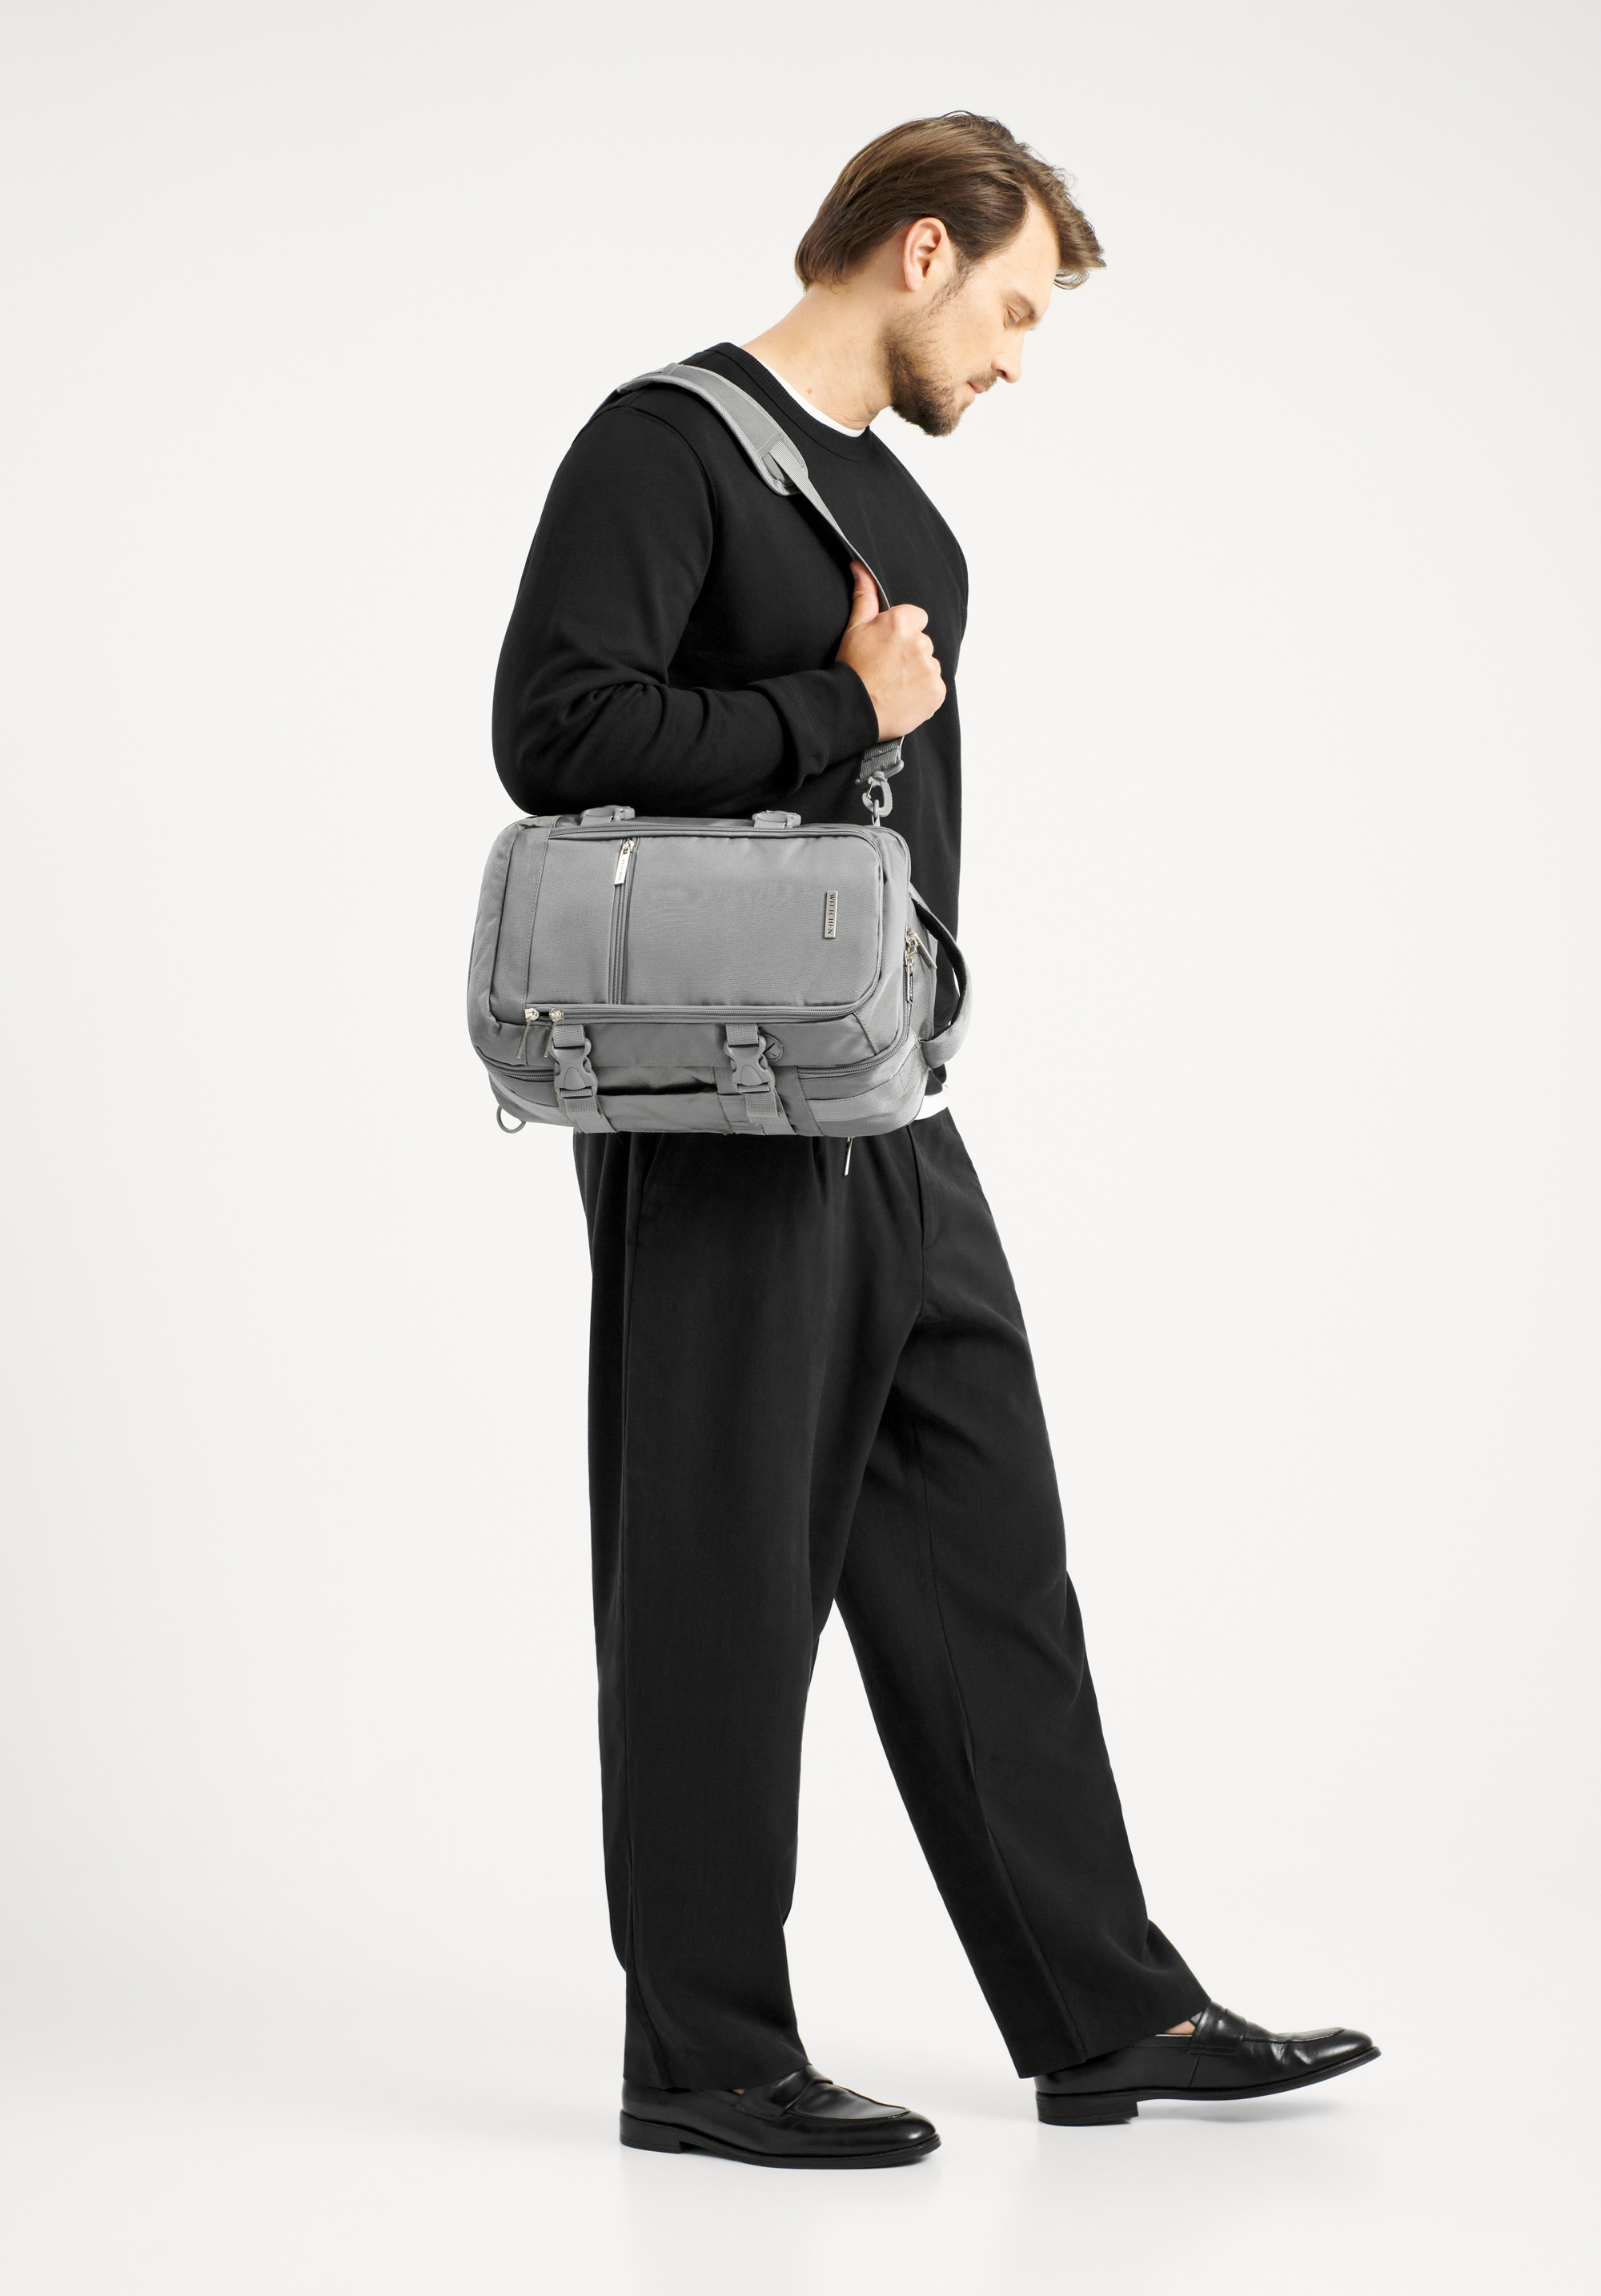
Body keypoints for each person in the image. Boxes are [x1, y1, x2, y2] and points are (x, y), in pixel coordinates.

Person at [492, 111, 1376, 2170]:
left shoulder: (900, 509)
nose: (1013, 355)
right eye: (1011, 306)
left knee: (986, 1548)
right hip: (721, 1115)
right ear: (916, 250)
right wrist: (838, 705)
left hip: (882, 1097)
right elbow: (555, 730)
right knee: (721, 1577)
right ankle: (702, 2058)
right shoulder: (665, 448)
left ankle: (1107, 2009)